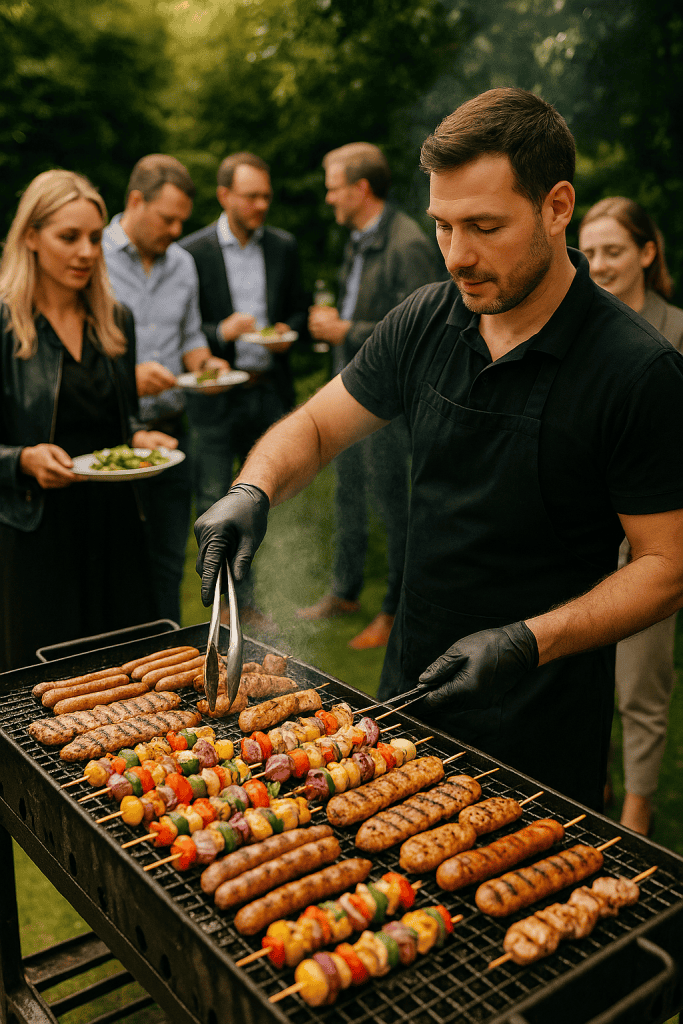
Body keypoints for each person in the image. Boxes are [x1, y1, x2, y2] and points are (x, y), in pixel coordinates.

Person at [193, 88, 683, 812]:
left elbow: (666, 565)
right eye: (443, 227)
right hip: (408, 698)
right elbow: (319, 426)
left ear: (556, 206)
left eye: (484, 226)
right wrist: (253, 489)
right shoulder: (427, 317)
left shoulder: (635, 369)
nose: (457, 256)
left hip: (539, 726)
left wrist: (524, 641)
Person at [0, 169, 175, 671]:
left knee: (129, 677)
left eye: (95, 238)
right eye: (68, 237)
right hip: (38, 536)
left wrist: (140, 436)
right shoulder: (5, 326)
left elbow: (117, 424)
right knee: (44, 690)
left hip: (116, 529)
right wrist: (22, 458)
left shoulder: (115, 321)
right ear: (30, 237)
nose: (85, 252)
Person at [304, 142, 444, 649]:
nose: (328, 198)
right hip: (351, 395)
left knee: (395, 503)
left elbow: (423, 328)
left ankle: (395, 610)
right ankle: (344, 591)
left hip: (391, 406)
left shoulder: (406, 244)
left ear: (360, 189)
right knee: (348, 494)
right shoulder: (359, 239)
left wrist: (346, 328)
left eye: (333, 187)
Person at [579, 196, 683, 834]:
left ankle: (635, 812)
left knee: (640, 682)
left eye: (613, 251)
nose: (598, 265)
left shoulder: (676, 334)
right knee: (577, 668)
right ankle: (595, 780)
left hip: (651, 541)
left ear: (647, 253)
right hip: (580, 533)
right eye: (587, 253)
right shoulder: (579, 331)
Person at [180, 152, 308, 629]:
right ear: (224, 195)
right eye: (251, 196)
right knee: (215, 499)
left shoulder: (284, 246)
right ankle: (224, 606)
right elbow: (186, 328)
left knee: (261, 498)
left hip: (270, 392)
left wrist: (283, 329)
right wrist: (221, 333)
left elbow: (297, 314)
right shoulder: (191, 253)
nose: (261, 205)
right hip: (216, 397)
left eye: (266, 197)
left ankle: (251, 602)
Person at [103, 154, 228, 626]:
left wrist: (206, 364)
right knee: (115, 566)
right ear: (136, 201)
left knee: (169, 562)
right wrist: (128, 379)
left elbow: (190, 337)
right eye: (167, 218)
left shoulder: (183, 264)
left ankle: (164, 657)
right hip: (111, 440)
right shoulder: (87, 256)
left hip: (173, 435)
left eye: (182, 220)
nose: (177, 229)